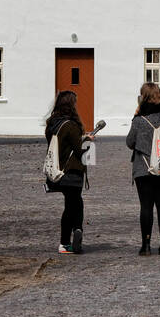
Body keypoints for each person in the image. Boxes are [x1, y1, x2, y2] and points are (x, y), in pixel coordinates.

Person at [126, 82, 160, 255]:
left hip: (144, 168)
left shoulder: (140, 120)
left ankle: (146, 245)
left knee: (146, 207)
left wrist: (135, 118)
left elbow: (130, 143)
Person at [44, 90, 94, 254]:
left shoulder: (52, 124)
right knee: (75, 204)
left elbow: (63, 145)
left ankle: (73, 235)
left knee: (72, 203)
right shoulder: (71, 126)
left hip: (57, 171)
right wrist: (88, 144)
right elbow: (80, 153)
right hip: (71, 171)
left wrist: (82, 138)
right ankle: (69, 238)